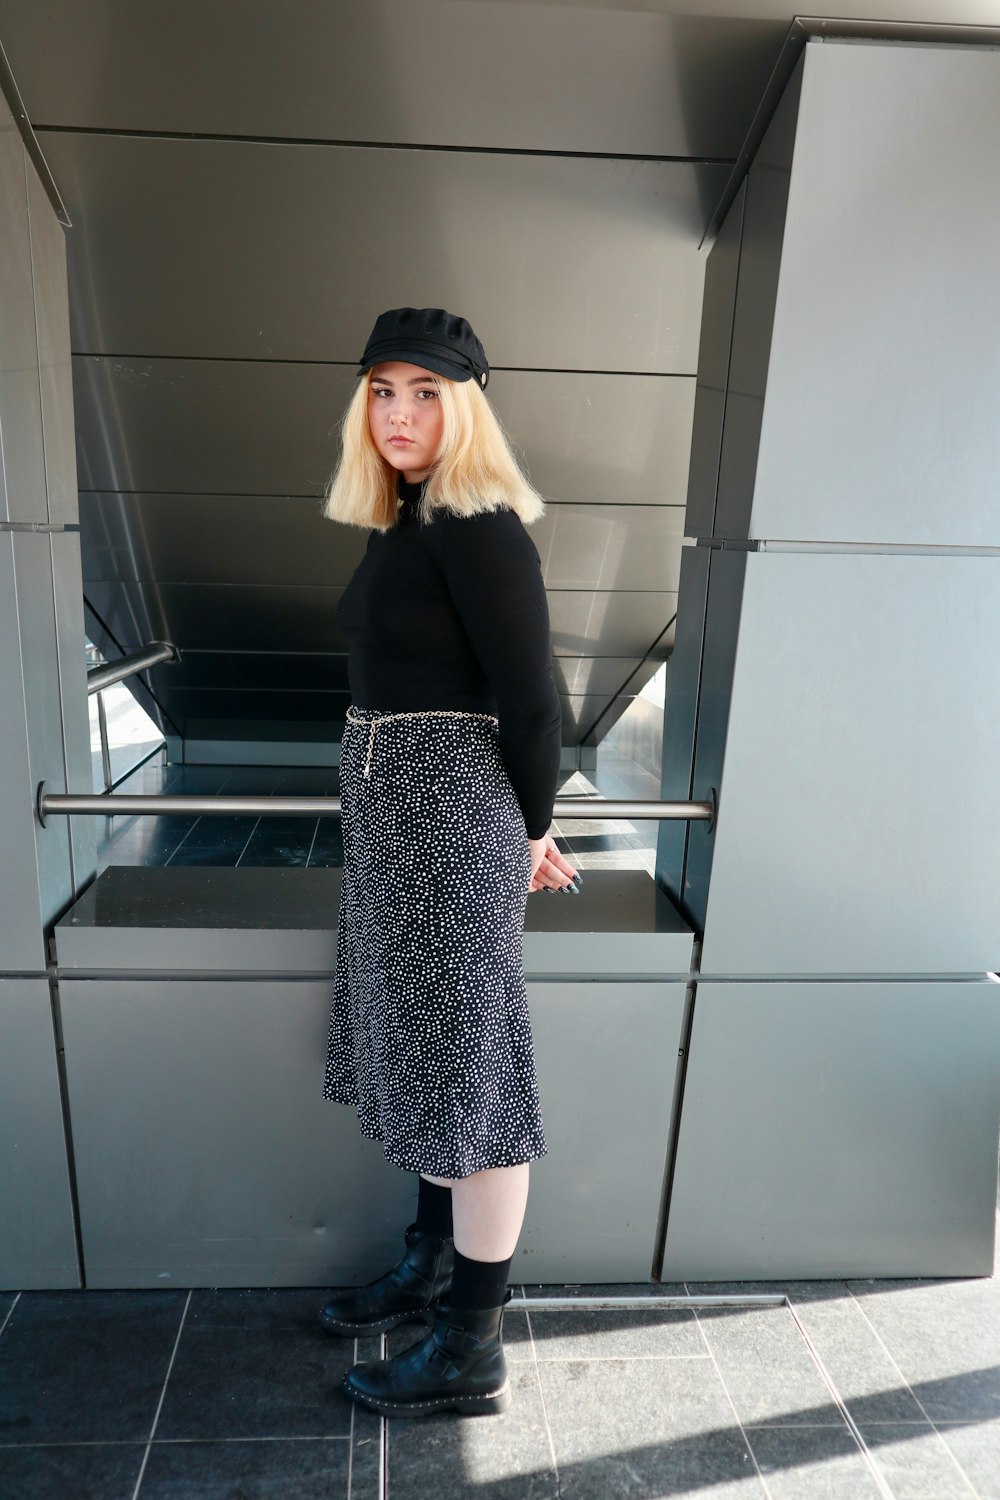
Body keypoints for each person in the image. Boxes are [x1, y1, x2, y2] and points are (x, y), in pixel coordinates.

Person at [318, 307, 581, 1419]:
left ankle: (470, 1344)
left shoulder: (478, 525)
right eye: (383, 390)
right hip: (398, 819)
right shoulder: (404, 520)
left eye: (426, 392)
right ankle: (429, 1261)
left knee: (468, 1072)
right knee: (427, 1055)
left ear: (467, 406)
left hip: (452, 819)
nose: (399, 414)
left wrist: (526, 829)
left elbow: (536, 702)